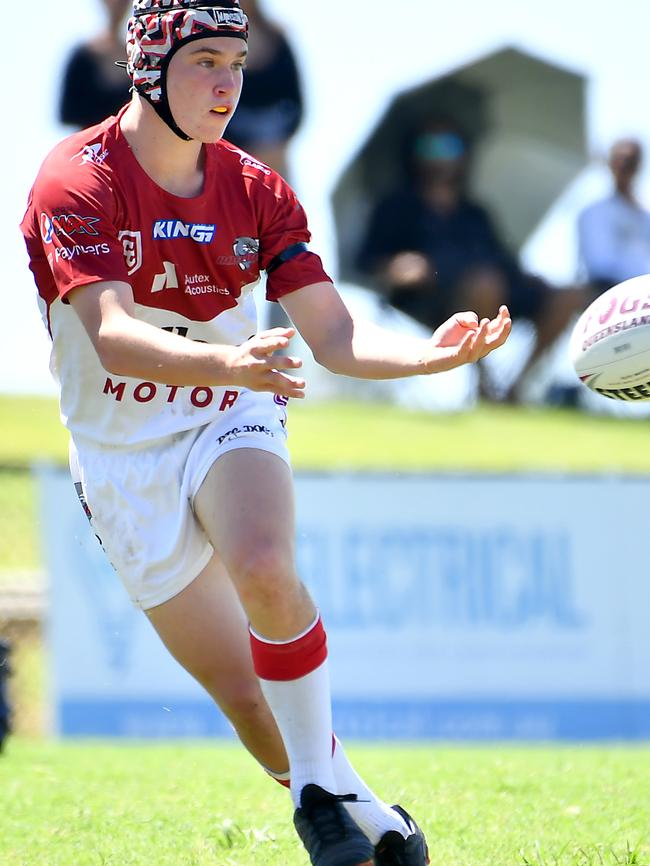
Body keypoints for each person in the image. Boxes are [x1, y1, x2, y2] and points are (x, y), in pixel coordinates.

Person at [21, 3, 511, 864]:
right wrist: (230, 362)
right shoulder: (75, 178)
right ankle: (359, 808)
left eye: (237, 63)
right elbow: (111, 334)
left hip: (228, 408)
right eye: (204, 60)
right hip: (121, 451)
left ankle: (326, 802)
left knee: (263, 564)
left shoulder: (257, 189)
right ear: (147, 65)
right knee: (250, 700)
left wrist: (431, 360)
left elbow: (335, 336)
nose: (227, 84)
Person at [356, 117, 583, 402]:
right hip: (430, 299)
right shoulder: (395, 206)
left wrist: (527, 278)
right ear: (413, 153)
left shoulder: (475, 212)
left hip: (498, 291)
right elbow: (367, 260)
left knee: (568, 296)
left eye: (449, 147)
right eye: (430, 147)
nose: (441, 157)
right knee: (485, 284)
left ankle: (516, 386)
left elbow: (503, 258)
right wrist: (396, 267)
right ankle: (484, 384)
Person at [224, 0, 303, 180]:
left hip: (277, 158)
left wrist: (277, 140)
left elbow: (296, 100)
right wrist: (245, 146)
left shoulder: (277, 35)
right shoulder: (215, 39)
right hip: (235, 164)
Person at [578, 138, 650, 296]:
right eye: (620, 160)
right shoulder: (593, 213)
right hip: (611, 296)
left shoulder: (646, 218)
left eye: (630, 161)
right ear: (611, 164)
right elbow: (600, 266)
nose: (624, 167)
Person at [59, 0, 132, 128]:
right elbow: (68, 113)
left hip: (131, 146)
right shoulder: (83, 55)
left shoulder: (138, 57)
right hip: (92, 144)